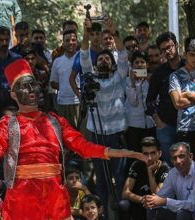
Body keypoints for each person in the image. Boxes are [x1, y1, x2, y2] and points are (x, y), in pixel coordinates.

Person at [0, 58, 146, 219]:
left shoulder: (55, 121)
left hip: (54, 194)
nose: (31, 89)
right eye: (23, 86)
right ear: (13, 94)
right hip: (23, 195)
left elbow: (81, 145)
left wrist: (113, 152)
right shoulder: (8, 123)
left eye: (33, 84)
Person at [79, 17, 129, 216]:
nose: (103, 60)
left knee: (118, 176)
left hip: (116, 135)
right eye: (100, 59)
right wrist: (85, 32)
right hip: (97, 135)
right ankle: (103, 215)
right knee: (101, 179)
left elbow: (123, 55)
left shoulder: (119, 76)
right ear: (96, 64)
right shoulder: (90, 77)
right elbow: (83, 55)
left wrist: (113, 31)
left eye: (107, 58)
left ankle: (117, 214)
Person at [169, 37, 195, 162]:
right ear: (185, 53)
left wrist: (189, 94)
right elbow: (177, 103)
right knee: (185, 166)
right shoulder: (175, 76)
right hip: (184, 129)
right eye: (192, 54)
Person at [146, 32, 183, 164]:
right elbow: (149, 100)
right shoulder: (159, 72)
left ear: (176, 45)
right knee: (169, 164)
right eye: (163, 49)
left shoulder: (188, 67)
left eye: (170, 47)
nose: (167, 51)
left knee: (188, 163)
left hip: (188, 125)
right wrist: (159, 122)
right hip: (166, 125)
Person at [144, 142, 195, 220]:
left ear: (190, 156)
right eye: (174, 158)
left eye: (181, 156)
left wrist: (165, 201)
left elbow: (193, 205)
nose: (178, 161)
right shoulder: (173, 172)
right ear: (171, 160)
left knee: (182, 214)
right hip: (181, 210)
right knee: (151, 207)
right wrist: (151, 200)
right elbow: (161, 196)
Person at [121, 137, 170, 220]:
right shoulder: (137, 165)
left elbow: (159, 195)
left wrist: (150, 172)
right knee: (123, 204)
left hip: (157, 207)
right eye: (146, 154)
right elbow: (125, 193)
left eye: (153, 153)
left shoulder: (165, 169)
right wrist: (142, 199)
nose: (149, 158)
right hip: (140, 204)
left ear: (160, 153)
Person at [125, 51, 156, 152]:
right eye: (136, 62)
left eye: (142, 62)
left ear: (147, 64)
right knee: (135, 153)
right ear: (132, 65)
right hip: (134, 125)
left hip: (151, 123)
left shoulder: (152, 79)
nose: (139, 65)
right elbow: (133, 102)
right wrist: (133, 83)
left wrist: (150, 81)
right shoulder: (127, 81)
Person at [50, 29, 80, 128]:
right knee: (66, 134)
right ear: (63, 43)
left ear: (77, 41)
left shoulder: (82, 58)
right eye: (67, 40)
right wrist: (64, 86)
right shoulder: (57, 61)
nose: (70, 43)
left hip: (79, 102)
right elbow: (53, 82)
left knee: (81, 134)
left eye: (73, 40)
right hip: (62, 103)